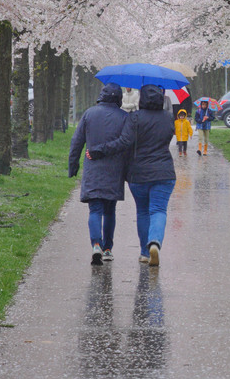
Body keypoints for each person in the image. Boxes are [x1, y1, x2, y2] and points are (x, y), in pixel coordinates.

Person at [68, 82, 134, 265]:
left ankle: (95, 244)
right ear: (119, 98)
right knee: (110, 210)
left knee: (95, 209)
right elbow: (127, 144)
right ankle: (107, 248)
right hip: (114, 170)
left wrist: (73, 165)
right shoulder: (124, 117)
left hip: (93, 169)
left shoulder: (89, 114)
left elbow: (77, 142)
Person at [126, 84, 176, 266]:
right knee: (158, 210)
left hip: (138, 173)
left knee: (142, 211)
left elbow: (126, 141)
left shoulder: (135, 118)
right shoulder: (169, 118)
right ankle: (155, 241)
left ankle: (144, 252)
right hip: (164, 172)